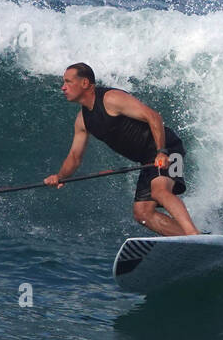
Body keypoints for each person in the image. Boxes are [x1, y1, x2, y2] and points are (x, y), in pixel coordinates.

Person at [45, 62, 200, 236]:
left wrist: (162, 151)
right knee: (142, 213)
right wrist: (59, 177)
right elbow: (74, 157)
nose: (63, 87)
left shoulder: (111, 99)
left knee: (159, 191)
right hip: (147, 160)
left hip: (166, 148)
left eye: (68, 82)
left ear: (85, 83)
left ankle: (192, 233)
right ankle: (193, 239)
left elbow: (153, 116)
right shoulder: (83, 120)